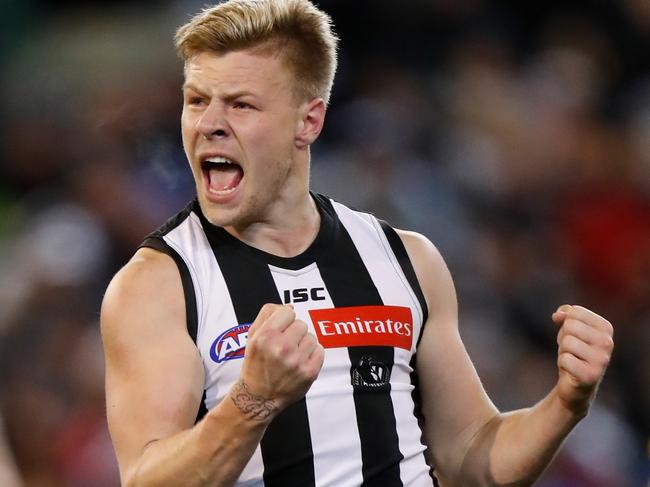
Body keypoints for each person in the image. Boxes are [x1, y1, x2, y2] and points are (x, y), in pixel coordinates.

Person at [100, 1, 615, 485]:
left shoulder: (405, 259)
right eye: (197, 101)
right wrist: (252, 402)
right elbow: (146, 479)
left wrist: (565, 404)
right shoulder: (157, 285)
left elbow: (471, 457)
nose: (209, 124)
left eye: (240, 104)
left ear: (309, 120)